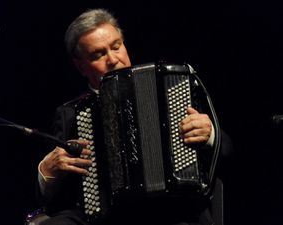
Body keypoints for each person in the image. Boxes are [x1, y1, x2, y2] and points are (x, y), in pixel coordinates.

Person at [37, 8, 232, 225]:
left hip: (172, 210)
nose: (113, 59)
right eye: (98, 54)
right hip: (105, 217)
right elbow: (57, 200)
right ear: (81, 66)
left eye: (116, 46)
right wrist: (47, 173)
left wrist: (210, 135)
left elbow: (226, 153)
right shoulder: (70, 114)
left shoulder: (171, 84)